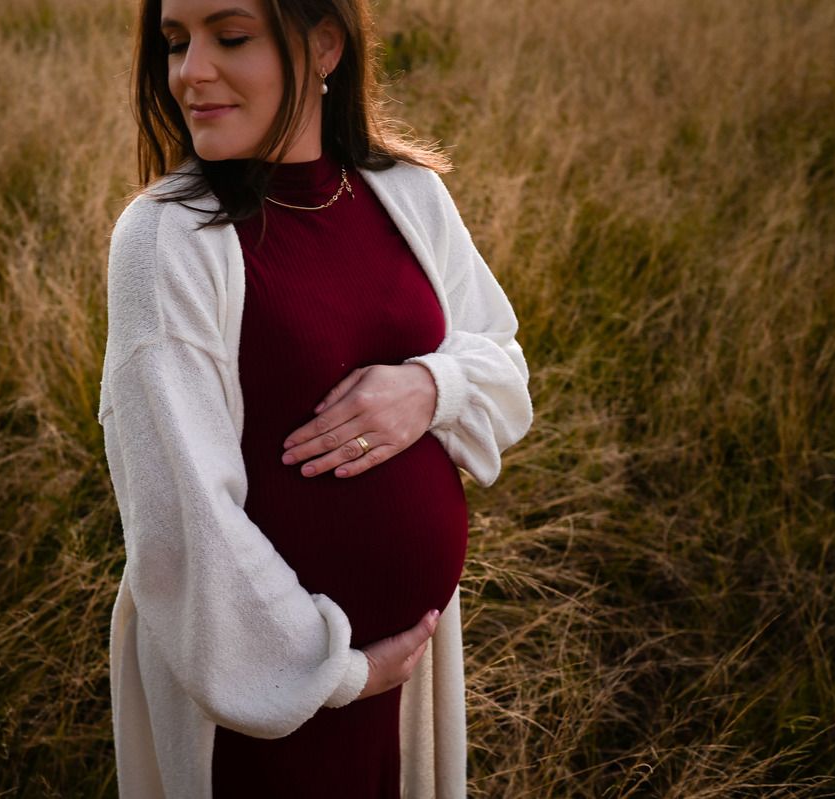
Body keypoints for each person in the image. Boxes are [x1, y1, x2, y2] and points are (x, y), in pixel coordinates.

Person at [97, 0, 533, 795]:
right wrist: (340, 671)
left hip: (407, 680)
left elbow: (503, 367)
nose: (191, 72)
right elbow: (184, 522)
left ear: (325, 44)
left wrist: (430, 386)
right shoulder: (165, 242)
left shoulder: (408, 192)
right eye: (175, 42)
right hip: (260, 704)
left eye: (231, 37)